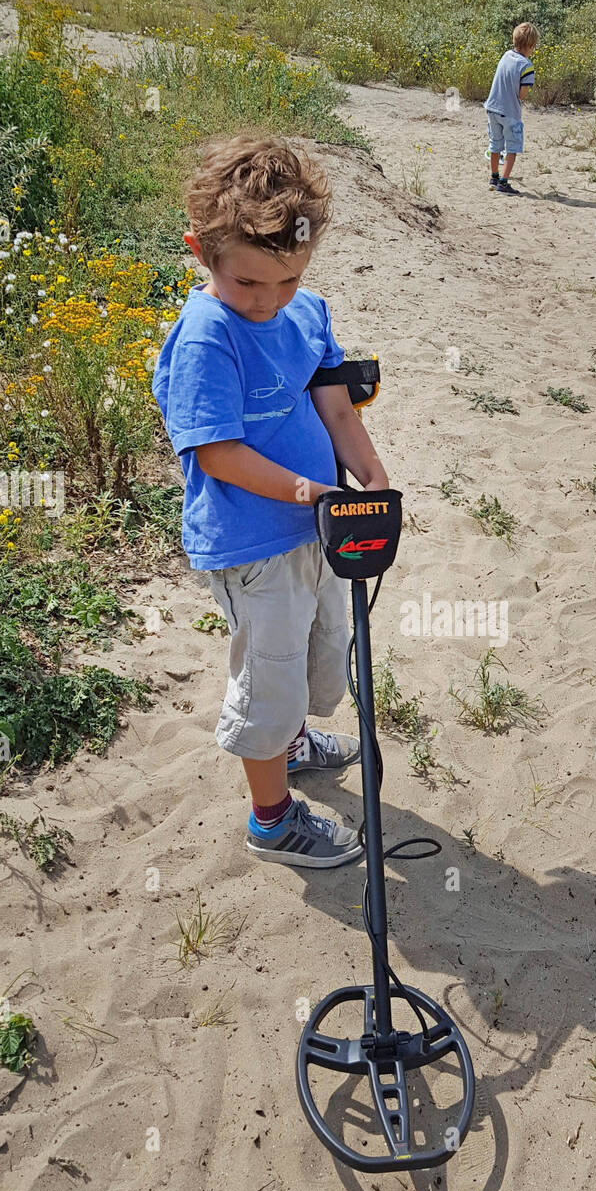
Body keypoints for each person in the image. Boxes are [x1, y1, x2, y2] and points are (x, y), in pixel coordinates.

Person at [152, 134, 389, 868]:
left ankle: (291, 741)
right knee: (268, 677)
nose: (268, 301)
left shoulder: (305, 312)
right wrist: (311, 492)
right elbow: (216, 451)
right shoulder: (205, 339)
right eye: (249, 283)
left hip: (316, 531)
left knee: (317, 652)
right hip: (254, 542)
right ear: (202, 251)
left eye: (286, 280)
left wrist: (370, 477)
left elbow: (336, 405)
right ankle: (271, 818)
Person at [484, 21, 539, 196]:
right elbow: (522, 95)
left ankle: (493, 176)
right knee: (512, 148)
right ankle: (504, 183)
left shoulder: (506, 55)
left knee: (495, 144)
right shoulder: (527, 65)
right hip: (510, 112)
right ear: (531, 46)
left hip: (492, 107)